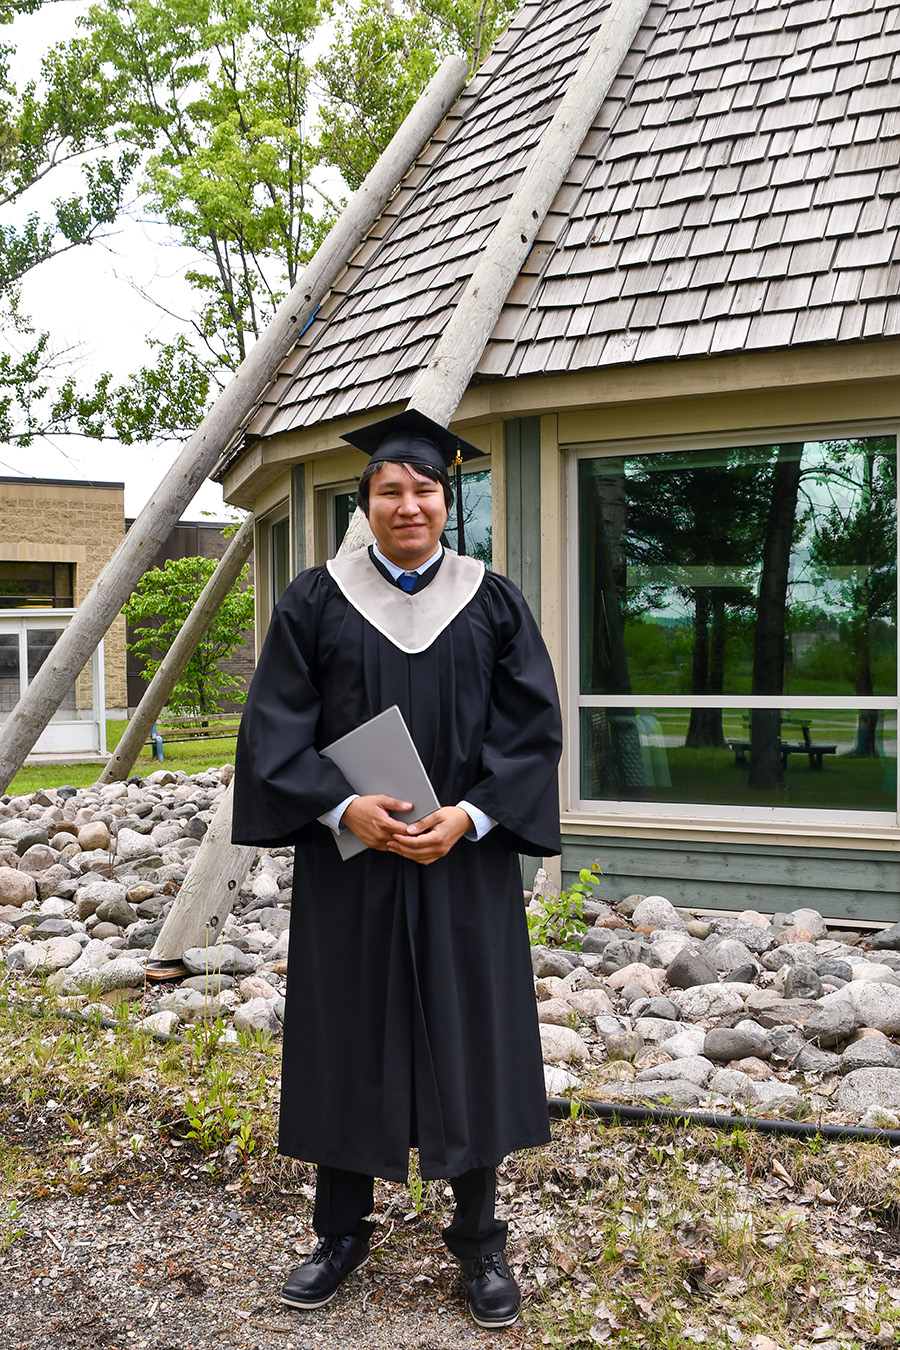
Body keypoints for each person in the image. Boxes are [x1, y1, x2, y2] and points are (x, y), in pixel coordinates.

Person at [232, 409, 562, 1329]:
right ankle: (340, 1232)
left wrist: (471, 815)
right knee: (348, 1029)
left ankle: (480, 1240)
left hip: (463, 859)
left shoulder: (491, 601)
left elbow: (531, 732)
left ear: (448, 501)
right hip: (354, 861)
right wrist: (344, 808)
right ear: (365, 502)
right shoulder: (315, 600)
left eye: (424, 490)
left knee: (470, 1030)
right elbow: (274, 732)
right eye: (389, 490)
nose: (408, 505)